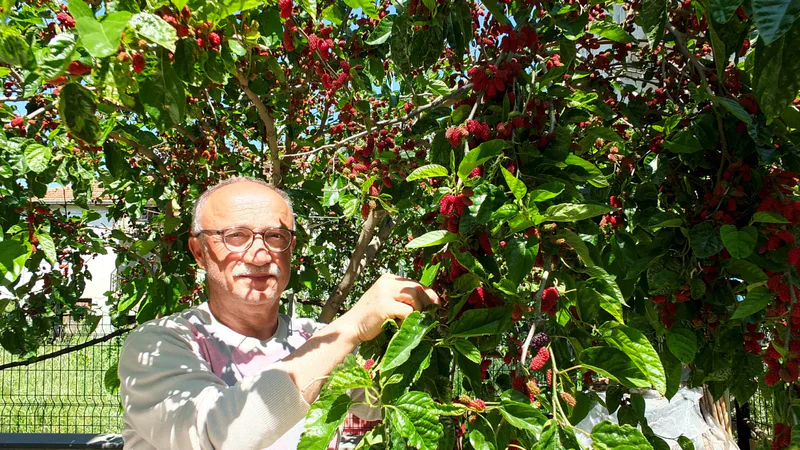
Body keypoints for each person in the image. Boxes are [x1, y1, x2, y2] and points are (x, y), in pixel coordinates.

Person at [118, 176, 439, 449]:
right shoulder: (157, 347)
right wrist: (351, 325)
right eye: (236, 236)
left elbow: (376, 413)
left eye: (275, 237)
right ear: (199, 252)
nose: (259, 255)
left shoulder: (315, 339)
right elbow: (218, 437)